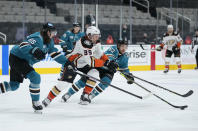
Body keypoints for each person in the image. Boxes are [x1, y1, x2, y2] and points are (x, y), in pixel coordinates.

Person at [0, 23, 69, 113]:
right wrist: (33, 50)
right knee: (35, 77)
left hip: (23, 60)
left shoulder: (50, 42)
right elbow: (23, 45)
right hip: (17, 58)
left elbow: (55, 54)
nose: (54, 34)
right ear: (47, 32)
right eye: (53, 32)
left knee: (14, 85)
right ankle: (36, 103)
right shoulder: (37, 37)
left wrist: (67, 62)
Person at [42, 26, 117, 107]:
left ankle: (85, 95)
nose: (97, 38)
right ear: (89, 35)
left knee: (94, 73)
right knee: (64, 84)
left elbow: (100, 53)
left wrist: (107, 61)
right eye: (95, 36)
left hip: (84, 64)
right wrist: (105, 63)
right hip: (72, 63)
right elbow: (91, 62)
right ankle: (48, 98)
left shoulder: (96, 41)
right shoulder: (84, 43)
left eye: (98, 36)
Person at [61, 39, 134, 105]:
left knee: (106, 82)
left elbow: (124, 68)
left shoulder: (126, 56)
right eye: (122, 46)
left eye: (126, 47)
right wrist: (112, 63)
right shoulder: (113, 49)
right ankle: (68, 94)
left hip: (108, 71)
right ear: (118, 46)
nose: (124, 48)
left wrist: (128, 76)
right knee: (84, 81)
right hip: (100, 66)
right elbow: (109, 57)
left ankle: (89, 96)